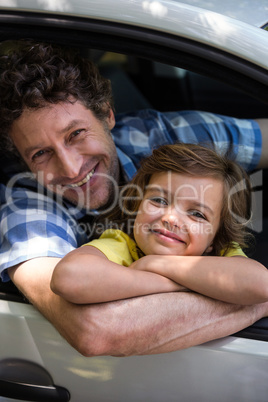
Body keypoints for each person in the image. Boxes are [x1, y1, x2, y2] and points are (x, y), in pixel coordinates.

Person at [1, 39, 268, 357]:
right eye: (41, 153)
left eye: (76, 134)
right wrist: (217, 286)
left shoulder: (161, 137)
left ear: (107, 115)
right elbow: (95, 331)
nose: (71, 169)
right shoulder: (26, 210)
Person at [51, 143, 268, 306]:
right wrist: (182, 284)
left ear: (215, 239)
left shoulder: (222, 253)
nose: (171, 219)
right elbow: (69, 278)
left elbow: (262, 285)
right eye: (159, 200)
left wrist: (156, 264)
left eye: (196, 214)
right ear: (137, 205)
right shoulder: (123, 244)